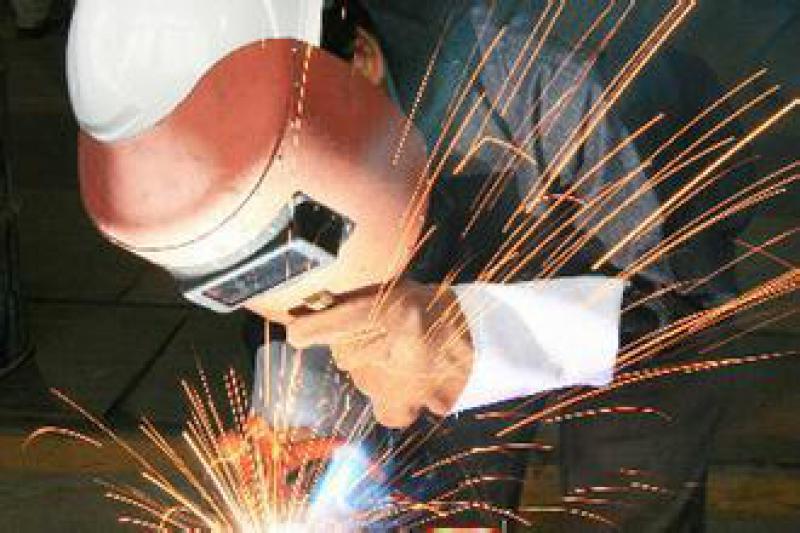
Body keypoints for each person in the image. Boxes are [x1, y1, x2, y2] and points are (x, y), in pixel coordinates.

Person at [67, 0, 747, 529]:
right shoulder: (214, 92)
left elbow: (688, 319)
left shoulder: (552, 72)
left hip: (638, 220)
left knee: (630, 475)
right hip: (415, 191)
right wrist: (296, 404)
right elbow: (283, 282)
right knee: (440, 481)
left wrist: (480, 338)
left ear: (360, 60)